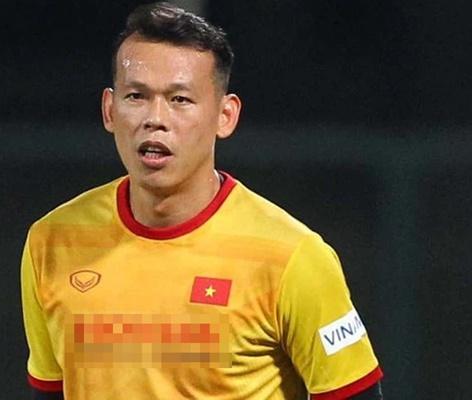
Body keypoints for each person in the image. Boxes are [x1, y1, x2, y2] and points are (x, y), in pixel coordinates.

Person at [20, 2, 383, 399]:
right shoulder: (51, 242)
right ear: (109, 109)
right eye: (136, 96)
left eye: (180, 100)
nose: (155, 118)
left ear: (225, 116)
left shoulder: (293, 257)